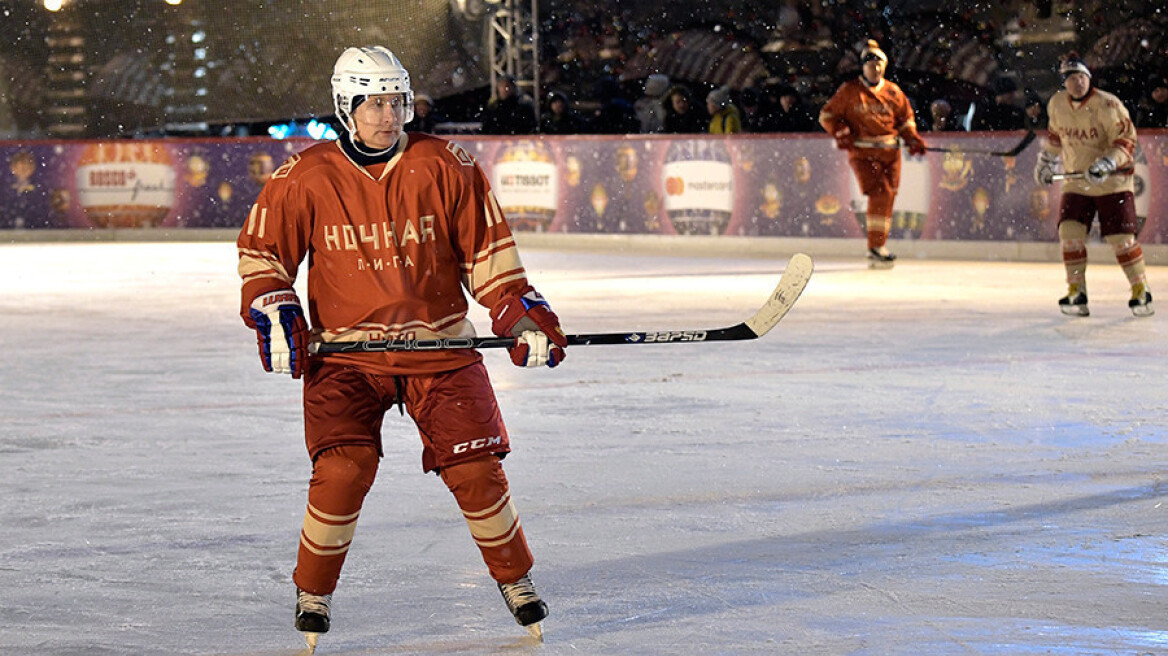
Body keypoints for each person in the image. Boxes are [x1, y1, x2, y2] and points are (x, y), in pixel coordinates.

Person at [236, 46, 566, 648]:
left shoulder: (448, 164)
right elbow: (262, 259)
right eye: (374, 103)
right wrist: (274, 306)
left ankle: (516, 580)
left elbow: (491, 260)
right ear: (346, 107)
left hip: (439, 350)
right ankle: (313, 591)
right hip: (344, 357)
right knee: (342, 469)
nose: (388, 115)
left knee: (476, 470)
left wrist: (520, 315)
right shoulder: (303, 176)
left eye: (396, 101)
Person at [1033, 52, 1153, 317]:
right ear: (1064, 82)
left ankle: (1140, 289)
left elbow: (1126, 142)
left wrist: (1106, 164)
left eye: (1081, 77)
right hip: (1077, 181)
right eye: (1071, 78)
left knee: (1121, 239)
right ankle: (1077, 291)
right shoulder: (1056, 104)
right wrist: (1046, 162)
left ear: (1089, 78)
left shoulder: (1108, 105)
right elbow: (1055, 138)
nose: (1077, 83)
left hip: (1114, 182)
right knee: (1070, 234)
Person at [818, 39, 927, 268]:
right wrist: (841, 131)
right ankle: (876, 246)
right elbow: (827, 115)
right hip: (863, 153)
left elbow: (906, 120)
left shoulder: (893, 92)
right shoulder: (850, 91)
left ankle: (878, 245)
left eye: (878, 63)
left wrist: (912, 139)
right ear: (863, 67)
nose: (874, 68)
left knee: (888, 197)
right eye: (869, 63)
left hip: (890, 152)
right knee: (880, 193)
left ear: (884, 66)